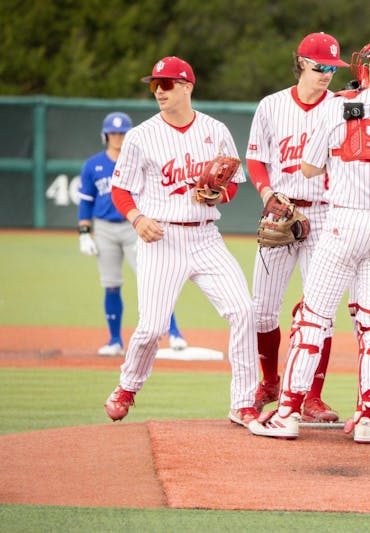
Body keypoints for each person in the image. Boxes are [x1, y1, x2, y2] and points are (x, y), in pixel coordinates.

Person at [249, 33, 370, 443]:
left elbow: (307, 170)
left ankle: (287, 414)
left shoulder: (338, 107)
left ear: (369, 67)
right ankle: (368, 418)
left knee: (313, 318)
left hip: (343, 222)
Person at [102, 56, 260, 427]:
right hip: (161, 237)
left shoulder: (215, 129)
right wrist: (137, 219)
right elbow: (120, 189)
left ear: (187, 86)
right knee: (153, 327)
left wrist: (219, 196)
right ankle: (127, 386)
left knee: (244, 312)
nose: (160, 91)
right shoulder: (141, 135)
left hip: (206, 236)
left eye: (168, 84)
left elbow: (234, 182)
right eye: (155, 85)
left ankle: (243, 402)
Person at [246, 32, 349, 423]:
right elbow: (255, 158)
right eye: (321, 67)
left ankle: (311, 397)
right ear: (302, 63)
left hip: (324, 214)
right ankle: (270, 381)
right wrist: (266, 192)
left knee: (320, 311)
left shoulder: (341, 108)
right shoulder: (271, 106)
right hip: (279, 208)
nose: (327, 75)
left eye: (333, 69)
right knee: (262, 311)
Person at [78, 112, 187, 356]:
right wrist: (84, 232)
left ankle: (175, 333)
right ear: (105, 135)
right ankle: (115, 340)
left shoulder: (141, 161)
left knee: (155, 282)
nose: (118, 137)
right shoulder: (93, 165)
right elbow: (85, 201)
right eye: (113, 133)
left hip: (135, 226)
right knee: (111, 284)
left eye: (122, 133)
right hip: (104, 228)